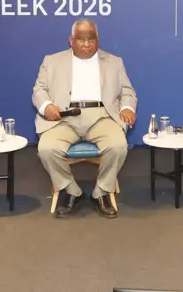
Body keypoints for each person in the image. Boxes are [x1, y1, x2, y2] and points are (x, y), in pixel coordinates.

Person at [33, 19, 136, 218]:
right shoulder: (52, 61)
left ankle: (101, 192)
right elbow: (39, 90)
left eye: (91, 39)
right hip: (64, 118)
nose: (86, 44)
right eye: (81, 39)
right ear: (71, 40)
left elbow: (127, 91)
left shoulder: (114, 62)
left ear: (98, 39)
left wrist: (127, 108)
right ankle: (72, 190)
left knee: (118, 146)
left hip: (102, 117)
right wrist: (46, 106)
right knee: (47, 149)